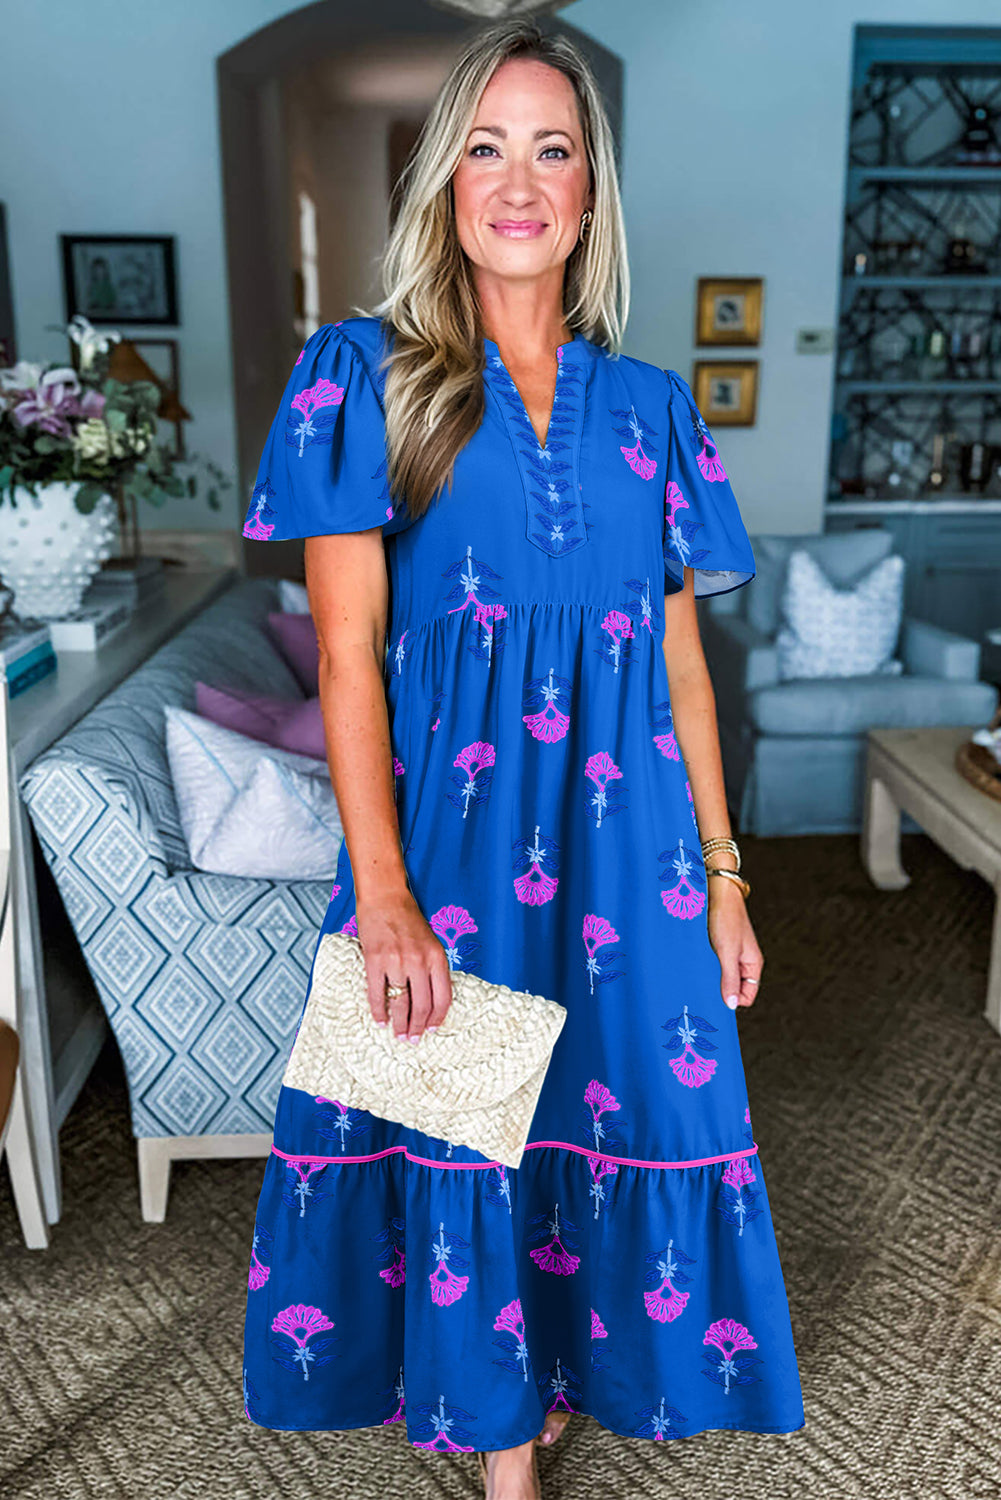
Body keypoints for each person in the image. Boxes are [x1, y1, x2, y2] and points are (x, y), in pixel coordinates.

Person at [241, 18, 804, 1498]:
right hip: (455, 854)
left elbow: (680, 662)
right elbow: (350, 655)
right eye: (484, 145)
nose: (518, 177)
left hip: (634, 855)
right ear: (441, 182)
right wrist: (381, 898)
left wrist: (727, 873)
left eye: (552, 148)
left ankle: (562, 1369)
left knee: (620, 1110)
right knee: (467, 1120)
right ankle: (504, 1463)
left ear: (590, 193)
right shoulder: (361, 377)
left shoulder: (652, 412)